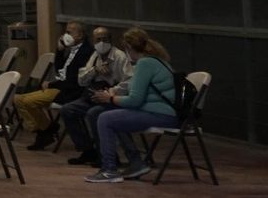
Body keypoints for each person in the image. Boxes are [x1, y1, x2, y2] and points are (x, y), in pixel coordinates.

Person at [84, 29, 179, 183]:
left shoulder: (145, 63)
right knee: (110, 115)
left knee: (105, 118)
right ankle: (136, 162)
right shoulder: (156, 60)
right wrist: (114, 98)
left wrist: (111, 98)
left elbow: (135, 100)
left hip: (161, 115)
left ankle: (109, 169)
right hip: (162, 112)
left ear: (129, 47)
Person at [62, 26, 134, 166]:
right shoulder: (95, 55)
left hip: (111, 97)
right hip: (92, 95)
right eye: (98, 40)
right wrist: (94, 70)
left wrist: (111, 92)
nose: (101, 42)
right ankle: (88, 150)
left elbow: (129, 81)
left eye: (104, 39)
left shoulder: (119, 56)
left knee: (93, 114)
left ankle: (107, 154)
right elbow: (81, 80)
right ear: (94, 41)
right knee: (68, 109)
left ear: (110, 40)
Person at [18, 21, 93, 150]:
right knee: (18, 99)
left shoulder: (86, 52)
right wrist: (59, 51)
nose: (66, 35)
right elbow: (60, 70)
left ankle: (44, 131)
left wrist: (52, 83)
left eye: (69, 32)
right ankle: (47, 127)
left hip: (68, 91)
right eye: (66, 32)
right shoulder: (71, 50)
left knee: (28, 101)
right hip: (60, 85)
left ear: (80, 35)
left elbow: (73, 80)